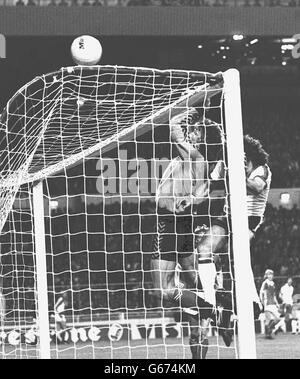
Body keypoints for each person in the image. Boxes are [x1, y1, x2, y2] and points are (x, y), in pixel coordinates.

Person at [151, 107, 226, 359]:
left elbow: (174, 127)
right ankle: (210, 311)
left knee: (165, 289)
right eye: (191, 130)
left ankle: (214, 310)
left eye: (194, 131)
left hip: (169, 223)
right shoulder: (197, 163)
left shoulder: (195, 157)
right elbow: (199, 195)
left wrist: (190, 108)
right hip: (181, 223)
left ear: (200, 137)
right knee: (193, 284)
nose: (190, 133)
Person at [259, 269, 281, 339]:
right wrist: (262, 303)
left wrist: (277, 303)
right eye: (269, 274)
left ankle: (269, 330)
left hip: (273, 304)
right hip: (267, 304)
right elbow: (262, 293)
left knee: (278, 318)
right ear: (266, 275)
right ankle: (268, 335)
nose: (270, 276)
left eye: (271, 274)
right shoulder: (265, 283)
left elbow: (274, 295)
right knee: (268, 320)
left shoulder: (273, 283)